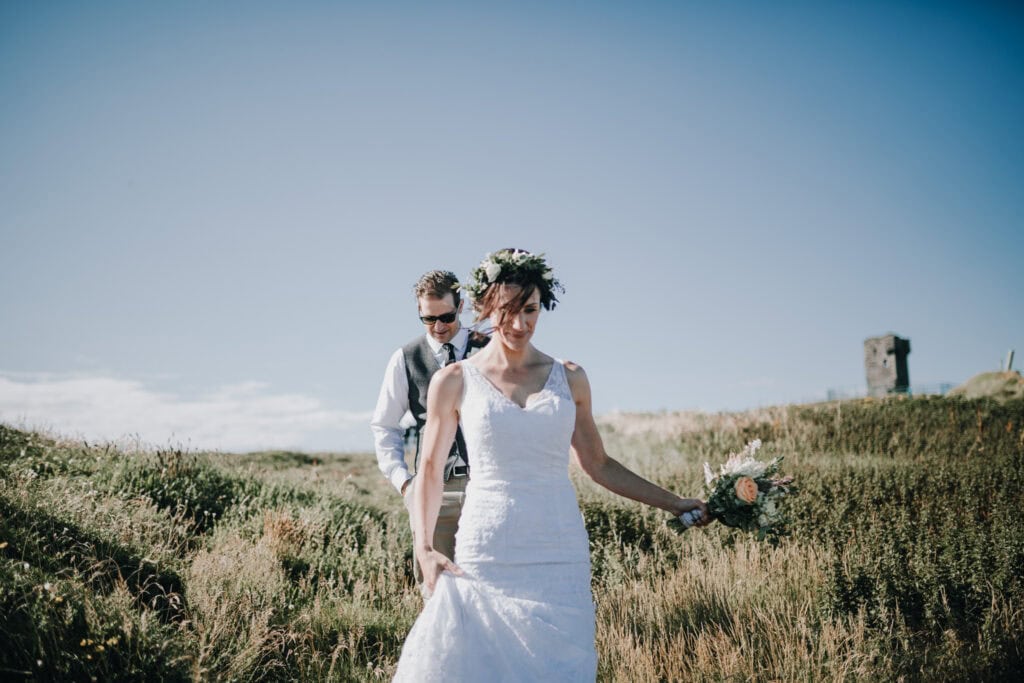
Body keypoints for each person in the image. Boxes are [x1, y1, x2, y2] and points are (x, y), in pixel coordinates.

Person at [392, 250, 709, 681]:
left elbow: (599, 464)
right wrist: (424, 549)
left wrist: (674, 502)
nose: (519, 324)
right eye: (507, 310)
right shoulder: (454, 380)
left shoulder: (570, 377)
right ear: (485, 307)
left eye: (530, 310)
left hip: (559, 552)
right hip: (488, 550)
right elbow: (429, 471)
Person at [371, 270, 488, 583]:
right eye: (428, 319)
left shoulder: (490, 350)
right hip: (434, 493)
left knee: (493, 589)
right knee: (438, 593)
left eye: (446, 317)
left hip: (487, 489)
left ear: (460, 306)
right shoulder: (405, 358)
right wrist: (405, 483)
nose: (438, 327)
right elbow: (384, 425)